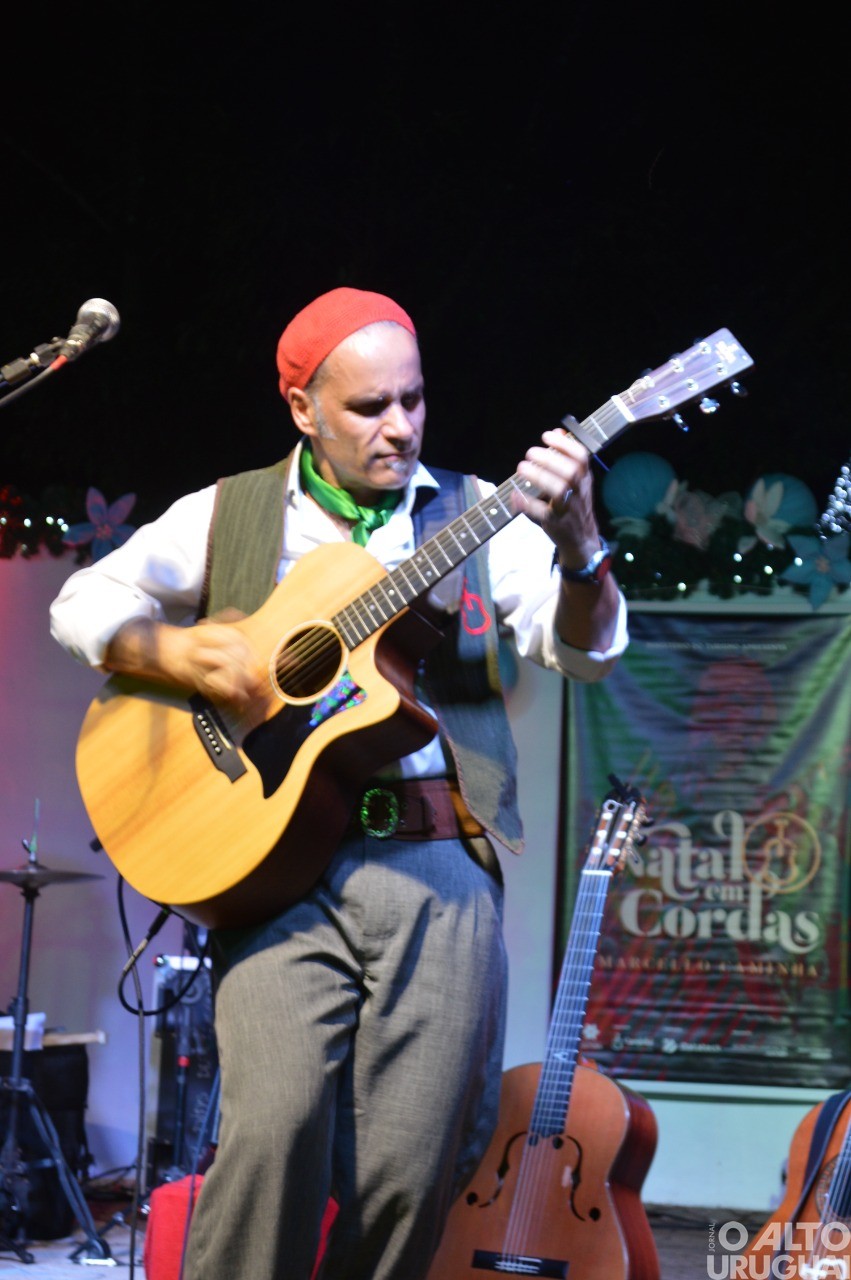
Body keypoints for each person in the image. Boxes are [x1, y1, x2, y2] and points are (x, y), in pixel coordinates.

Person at [49, 286, 629, 1280]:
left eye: (412, 400)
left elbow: (585, 652)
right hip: (273, 871)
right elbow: (81, 602)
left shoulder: (472, 513)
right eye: (368, 407)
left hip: (436, 861)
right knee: (269, 1137)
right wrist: (184, 650)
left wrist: (581, 549)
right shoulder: (228, 512)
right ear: (301, 408)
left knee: (412, 1165)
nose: (399, 427)